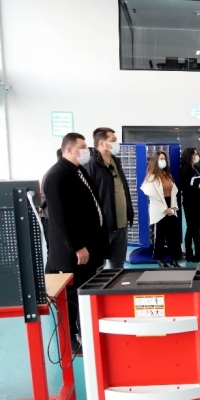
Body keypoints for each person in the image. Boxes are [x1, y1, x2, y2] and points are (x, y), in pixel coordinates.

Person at [43, 132, 109, 356]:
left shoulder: (77, 171)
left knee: (84, 291)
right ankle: (69, 339)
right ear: (69, 149)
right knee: (71, 297)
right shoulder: (56, 175)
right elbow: (60, 218)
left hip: (87, 249)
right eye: (83, 146)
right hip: (73, 252)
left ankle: (82, 332)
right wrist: (77, 246)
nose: (87, 150)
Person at [85, 127, 133, 269]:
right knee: (98, 265)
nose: (117, 143)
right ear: (101, 142)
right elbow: (88, 197)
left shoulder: (115, 162)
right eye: (113, 140)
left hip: (121, 223)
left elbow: (122, 189)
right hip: (104, 226)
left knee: (118, 264)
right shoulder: (91, 164)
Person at [140, 152, 183, 268]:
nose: (163, 161)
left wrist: (173, 207)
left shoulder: (167, 175)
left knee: (173, 235)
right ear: (155, 161)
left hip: (170, 205)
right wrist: (165, 209)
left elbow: (173, 192)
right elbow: (153, 196)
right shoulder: (151, 177)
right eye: (161, 159)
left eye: (164, 158)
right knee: (160, 235)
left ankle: (174, 258)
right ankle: (160, 259)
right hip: (159, 208)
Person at [179, 147, 200, 262]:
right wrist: (198, 186)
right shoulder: (185, 170)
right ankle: (189, 253)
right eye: (194, 154)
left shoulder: (195, 168)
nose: (196, 156)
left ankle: (198, 253)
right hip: (190, 203)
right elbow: (185, 187)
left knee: (197, 229)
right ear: (189, 155)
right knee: (191, 228)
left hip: (198, 202)